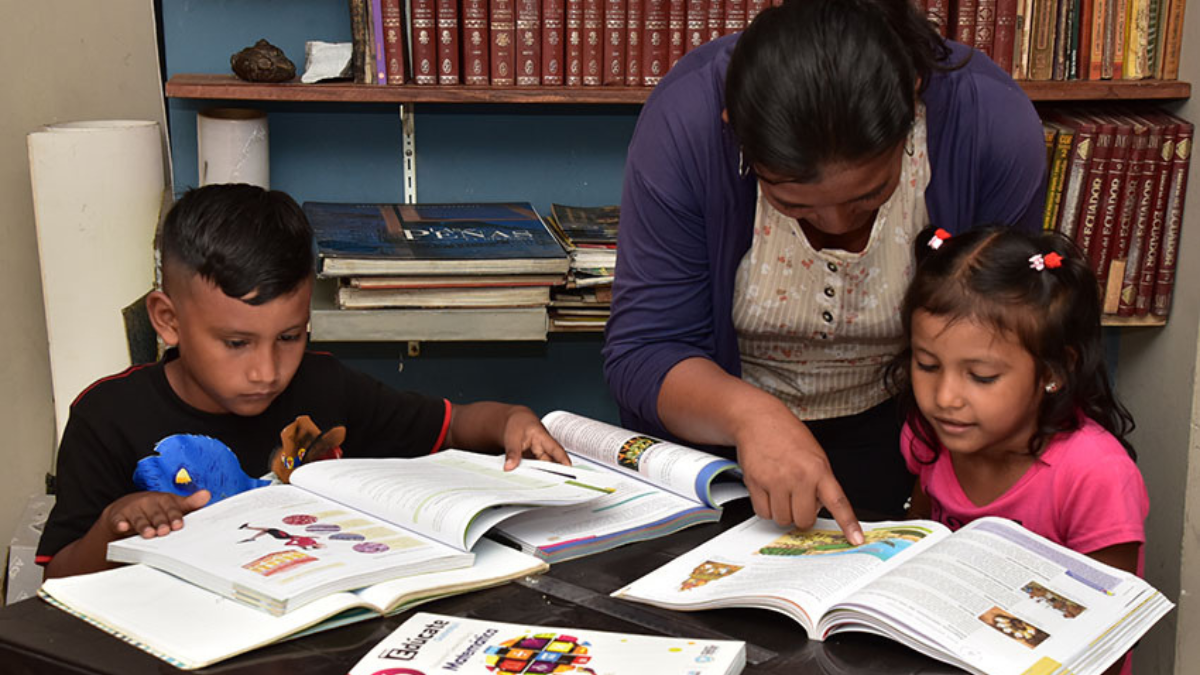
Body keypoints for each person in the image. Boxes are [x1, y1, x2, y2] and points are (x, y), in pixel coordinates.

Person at [602, 0, 1048, 540]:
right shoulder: (687, 122)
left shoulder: (989, 124)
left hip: (912, 439)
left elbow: (1006, 327)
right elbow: (645, 350)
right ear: (735, 135)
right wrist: (751, 416)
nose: (836, 223)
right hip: (713, 447)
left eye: (871, 196)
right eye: (795, 204)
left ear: (911, 101)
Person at [37, 184, 570, 579]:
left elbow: (452, 426)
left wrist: (511, 420)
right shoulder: (107, 417)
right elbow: (55, 578)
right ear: (168, 320)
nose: (267, 371)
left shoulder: (326, 386)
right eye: (236, 343)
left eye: (289, 337)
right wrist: (113, 527)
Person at [889, 226, 1147, 675]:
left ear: (1054, 371)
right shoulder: (929, 436)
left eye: (982, 376)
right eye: (927, 364)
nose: (945, 397)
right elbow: (919, 540)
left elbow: (1108, 637)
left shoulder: (1094, 475)